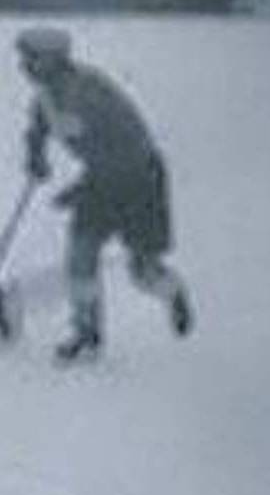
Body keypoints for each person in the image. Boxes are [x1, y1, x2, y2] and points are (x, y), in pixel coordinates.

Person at [13, 28, 193, 360]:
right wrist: (35, 156)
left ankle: (172, 290)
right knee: (80, 257)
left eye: (30, 59)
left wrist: (81, 189)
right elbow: (38, 125)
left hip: (139, 179)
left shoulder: (89, 93)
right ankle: (86, 335)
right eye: (23, 59)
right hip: (101, 180)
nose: (23, 66)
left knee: (142, 268)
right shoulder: (48, 94)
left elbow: (123, 149)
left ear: (52, 60)